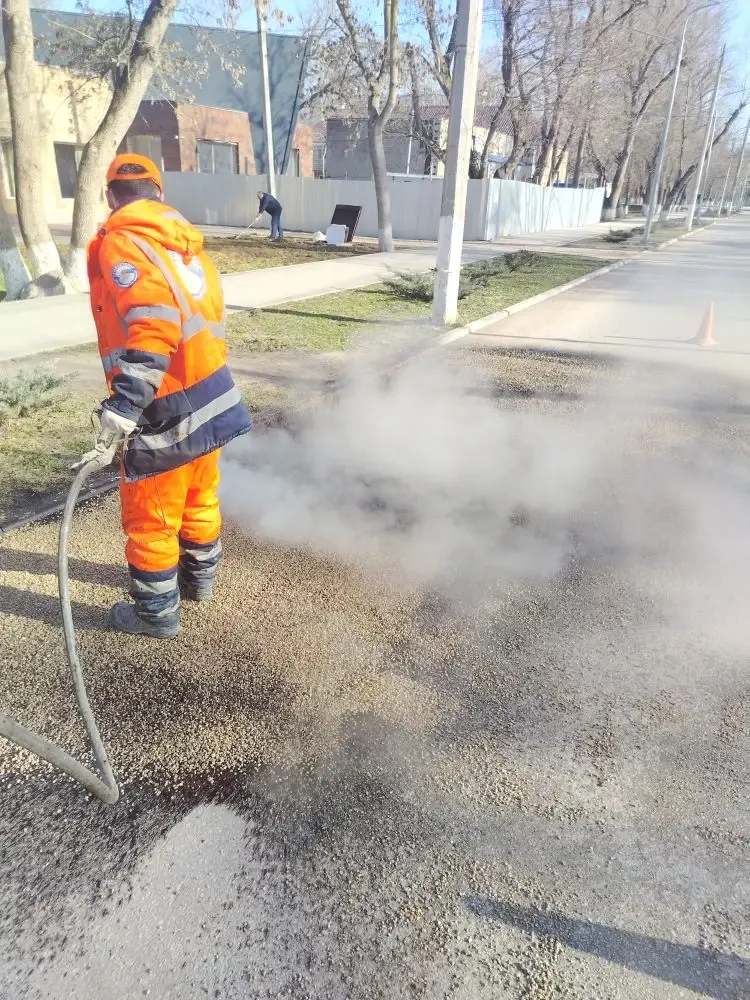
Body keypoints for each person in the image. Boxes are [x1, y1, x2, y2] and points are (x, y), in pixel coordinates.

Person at [82, 152, 252, 638]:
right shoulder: (186, 247)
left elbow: (154, 321)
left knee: (152, 517)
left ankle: (155, 615)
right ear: (160, 193)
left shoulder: (124, 242)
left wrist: (125, 404)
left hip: (166, 405)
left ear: (110, 196)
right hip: (211, 395)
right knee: (200, 497)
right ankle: (198, 583)